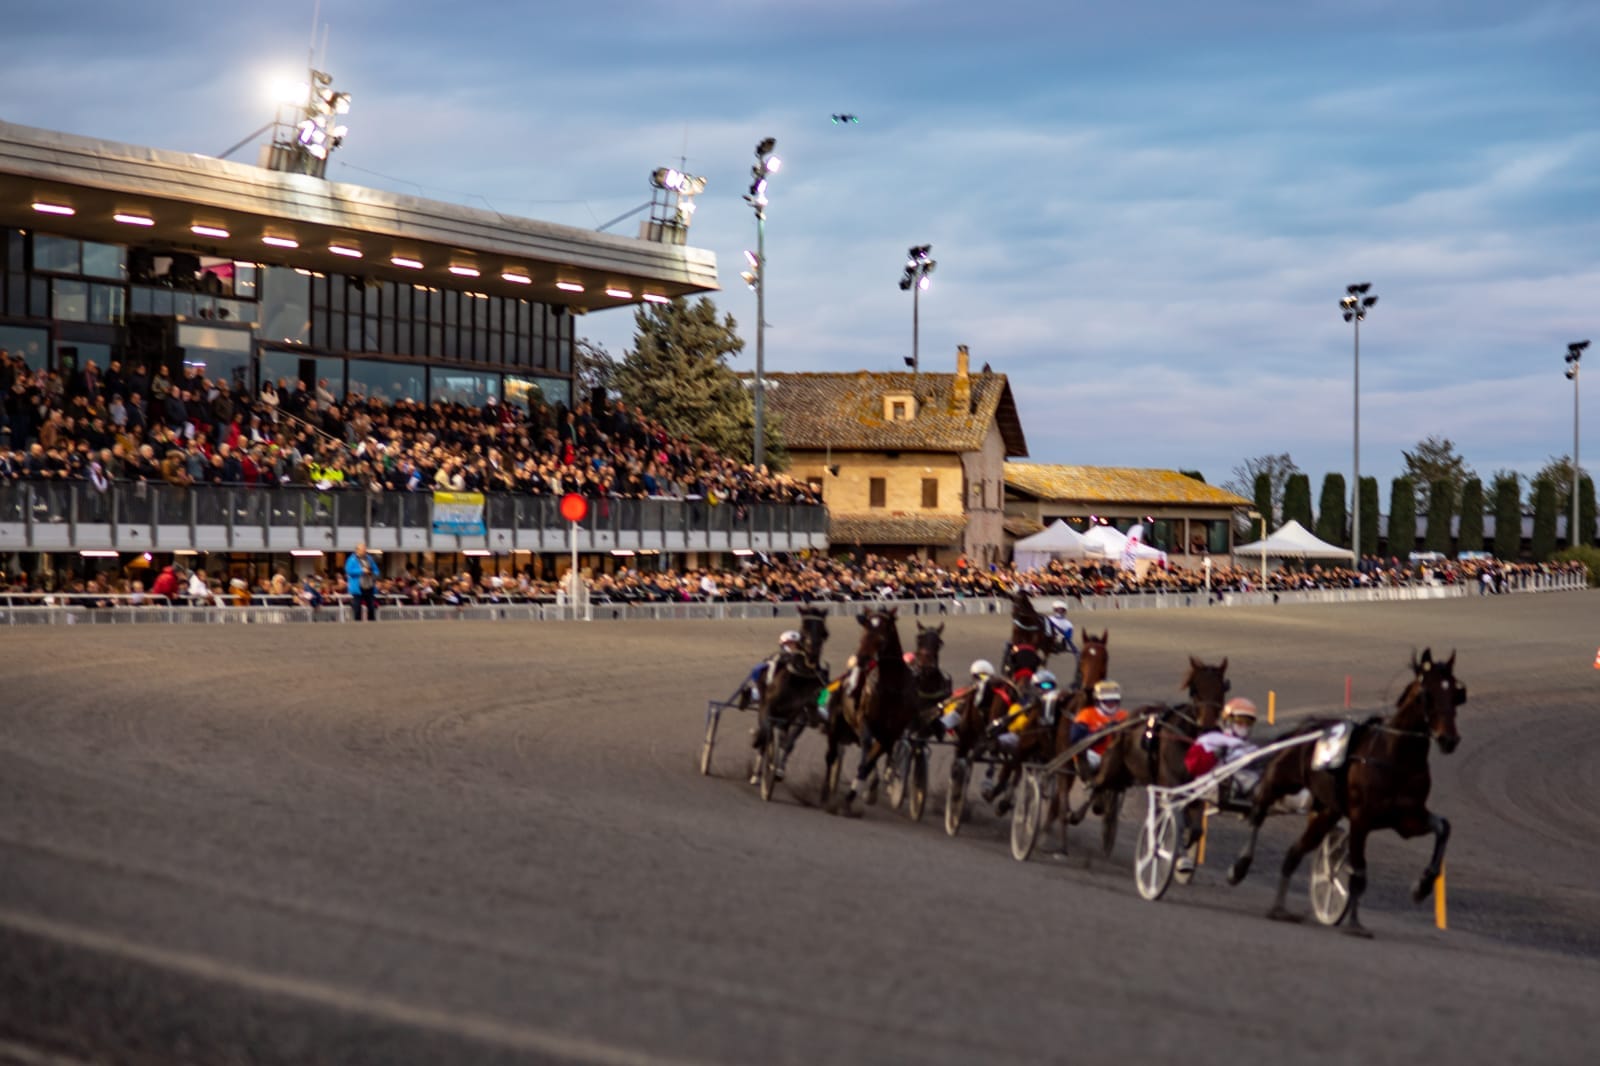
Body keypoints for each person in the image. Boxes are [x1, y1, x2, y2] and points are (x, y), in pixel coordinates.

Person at [1184, 698, 1261, 803]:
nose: (1244, 726)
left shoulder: (1249, 746)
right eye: (1240, 721)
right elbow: (1192, 766)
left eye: (1248, 722)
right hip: (1214, 786)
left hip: (1240, 782)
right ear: (1228, 721)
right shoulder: (1211, 739)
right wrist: (1214, 755)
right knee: (1251, 780)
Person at [1069, 680, 1128, 770]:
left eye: (1114, 701)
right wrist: (1102, 732)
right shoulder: (1086, 715)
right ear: (1098, 701)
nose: (1111, 704)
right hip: (1095, 756)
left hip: (1119, 755)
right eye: (1107, 701)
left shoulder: (1124, 715)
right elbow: (1076, 741)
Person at [738, 629, 802, 709]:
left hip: (797, 692)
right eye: (790, 644)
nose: (793, 647)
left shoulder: (803, 659)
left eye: (795, 644)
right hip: (783, 691)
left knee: (822, 690)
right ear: (783, 645)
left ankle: (753, 694)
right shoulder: (779, 658)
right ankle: (753, 695)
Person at [345, 542, 380, 621]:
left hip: (369, 585)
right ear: (357, 550)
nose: (364, 551)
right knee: (357, 607)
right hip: (358, 587)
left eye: (365, 549)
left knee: (371, 606)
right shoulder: (351, 559)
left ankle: (372, 622)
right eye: (362, 550)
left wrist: (373, 574)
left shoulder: (369, 558)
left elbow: (376, 570)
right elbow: (349, 571)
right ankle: (358, 623)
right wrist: (361, 570)